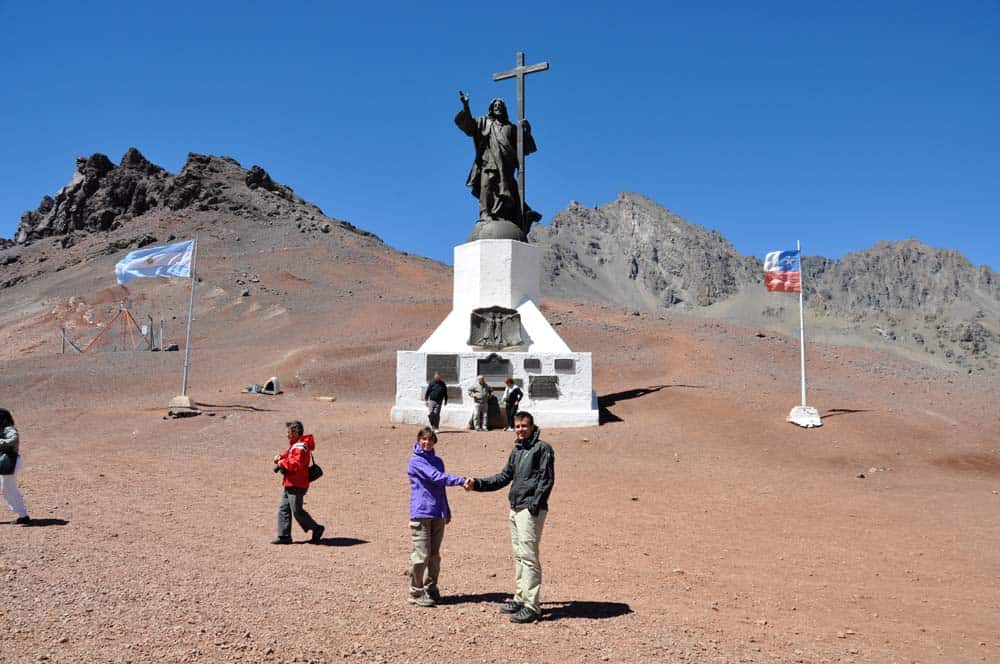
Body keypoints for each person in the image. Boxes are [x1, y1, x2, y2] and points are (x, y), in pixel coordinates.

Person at [465, 411, 554, 623]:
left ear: (532, 427)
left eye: (524, 426)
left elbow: (546, 479)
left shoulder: (542, 449)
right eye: (517, 426)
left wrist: (533, 505)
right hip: (515, 508)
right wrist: (478, 483)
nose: (521, 429)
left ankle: (532, 606)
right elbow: (504, 477)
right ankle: (520, 597)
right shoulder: (518, 450)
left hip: (529, 510)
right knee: (519, 555)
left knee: (529, 556)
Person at [455, 93, 541, 234]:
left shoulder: (511, 128)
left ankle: (503, 216)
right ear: (491, 108)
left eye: (500, 106)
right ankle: (485, 214)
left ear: (504, 109)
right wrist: (466, 105)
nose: (497, 107)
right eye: (495, 106)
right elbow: (469, 125)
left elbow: (525, 148)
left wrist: (527, 131)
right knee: (486, 187)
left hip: (506, 168)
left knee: (505, 192)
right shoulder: (484, 123)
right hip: (488, 162)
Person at [406, 427, 466, 607]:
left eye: (430, 440)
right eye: (424, 439)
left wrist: (446, 510)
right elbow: (436, 478)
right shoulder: (415, 461)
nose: (427, 443)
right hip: (422, 512)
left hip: (437, 512)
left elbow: (441, 487)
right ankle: (415, 592)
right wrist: (462, 481)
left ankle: (431, 588)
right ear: (418, 441)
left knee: (434, 555)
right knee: (421, 554)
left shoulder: (438, 461)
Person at [272, 420, 325, 544]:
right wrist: (280, 456)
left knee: (297, 511)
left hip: (297, 484)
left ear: (295, 432)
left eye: (289, 432)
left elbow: (295, 464)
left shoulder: (300, 447)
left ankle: (317, 528)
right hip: (290, 482)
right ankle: (284, 536)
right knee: (284, 508)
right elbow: (289, 455)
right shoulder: (297, 444)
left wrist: (281, 463)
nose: (287, 434)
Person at [0, 409, 29, 525]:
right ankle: (23, 515)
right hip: (4, 461)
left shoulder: (9, 429)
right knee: (8, 489)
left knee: (9, 490)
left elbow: (13, 439)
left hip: (9, 462)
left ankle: (23, 516)